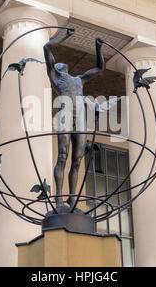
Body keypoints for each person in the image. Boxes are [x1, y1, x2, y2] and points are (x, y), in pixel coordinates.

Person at [43, 26, 105, 207]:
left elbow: (100, 69)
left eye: (62, 64)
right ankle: (59, 198)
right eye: (56, 65)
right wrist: (66, 35)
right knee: (63, 156)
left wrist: (98, 47)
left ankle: (72, 197)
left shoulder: (79, 79)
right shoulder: (55, 77)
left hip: (80, 119)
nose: (59, 65)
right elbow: (47, 47)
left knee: (77, 160)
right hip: (65, 116)